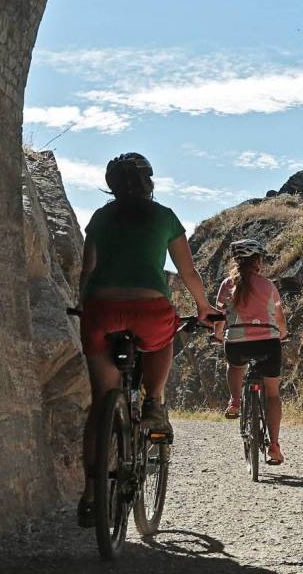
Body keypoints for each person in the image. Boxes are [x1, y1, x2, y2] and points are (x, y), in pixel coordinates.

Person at [76, 153, 218, 526]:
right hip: (148, 309)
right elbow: (188, 272)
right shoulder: (165, 216)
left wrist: (83, 305)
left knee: (101, 401)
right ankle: (153, 401)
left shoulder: (101, 218)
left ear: (111, 184)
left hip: (101, 311)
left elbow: (87, 271)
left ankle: (91, 495)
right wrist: (204, 308)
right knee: (165, 332)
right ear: (148, 182)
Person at [215, 238, 289, 466]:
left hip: (236, 343)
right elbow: (279, 318)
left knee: (235, 366)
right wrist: (283, 334)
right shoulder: (268, 286)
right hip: (268, 343)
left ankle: (235, 401)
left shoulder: (227, 284)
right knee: (273, 394)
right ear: (257, 261)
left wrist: (218, 334)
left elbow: (220, 316)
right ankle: (274, 447)